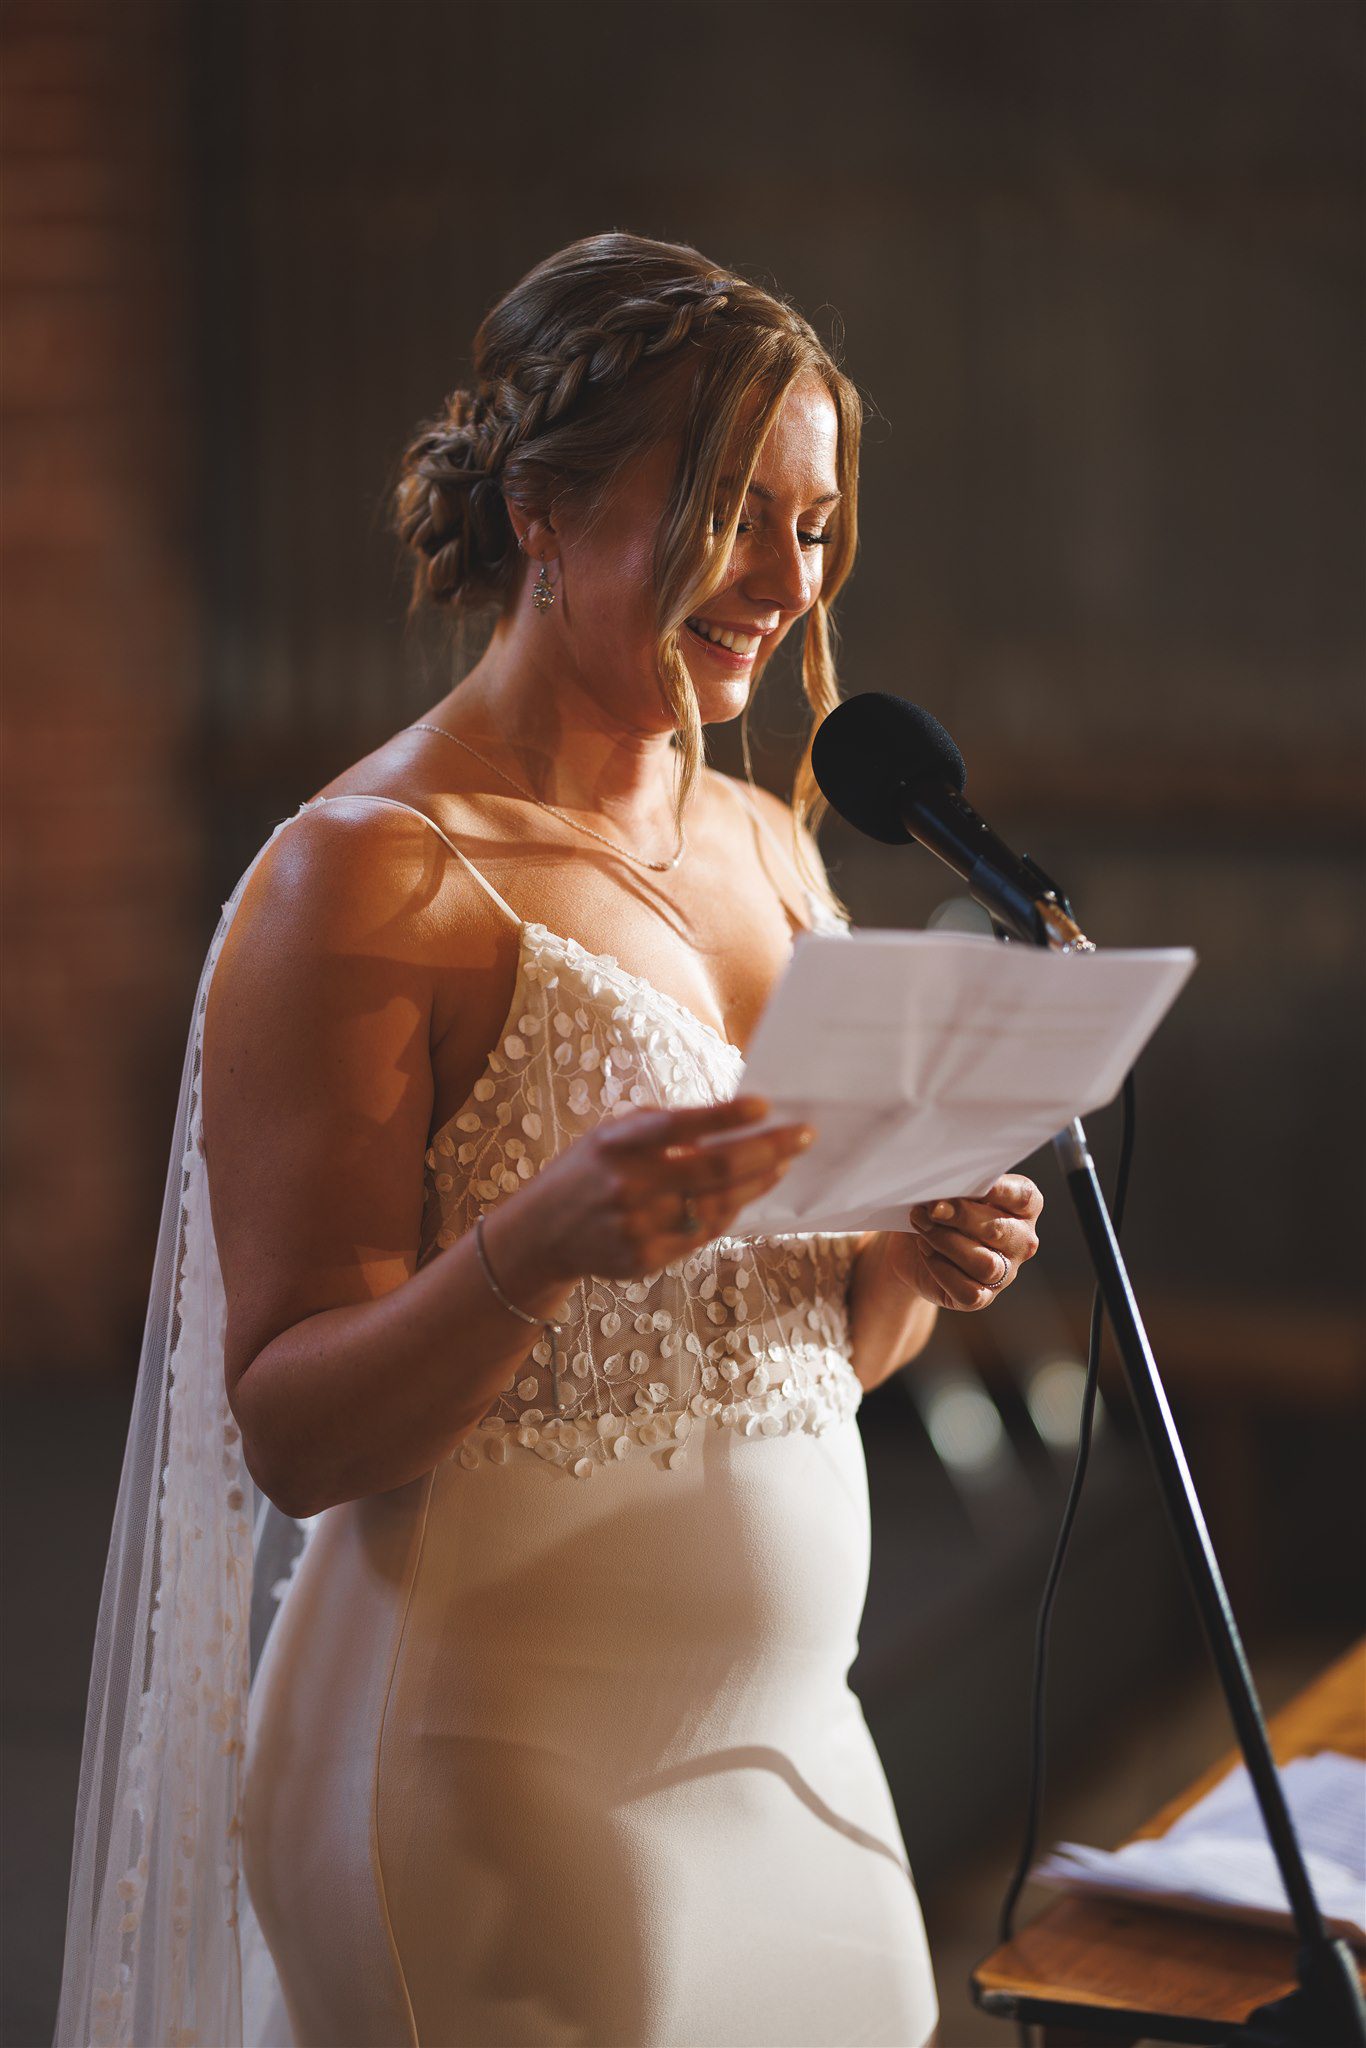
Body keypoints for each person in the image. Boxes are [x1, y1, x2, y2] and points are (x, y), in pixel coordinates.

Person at [54, 232, 1042, 2048]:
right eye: (731, 510)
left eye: (813, 523)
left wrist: (915, 1261)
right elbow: (285, 1428)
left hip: (796, 1744)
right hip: (491, 1781)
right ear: (540, 508)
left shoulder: (772, 846)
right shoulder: (368, 874)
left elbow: (810, 1354)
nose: (782, 576)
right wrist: (534, 1248)